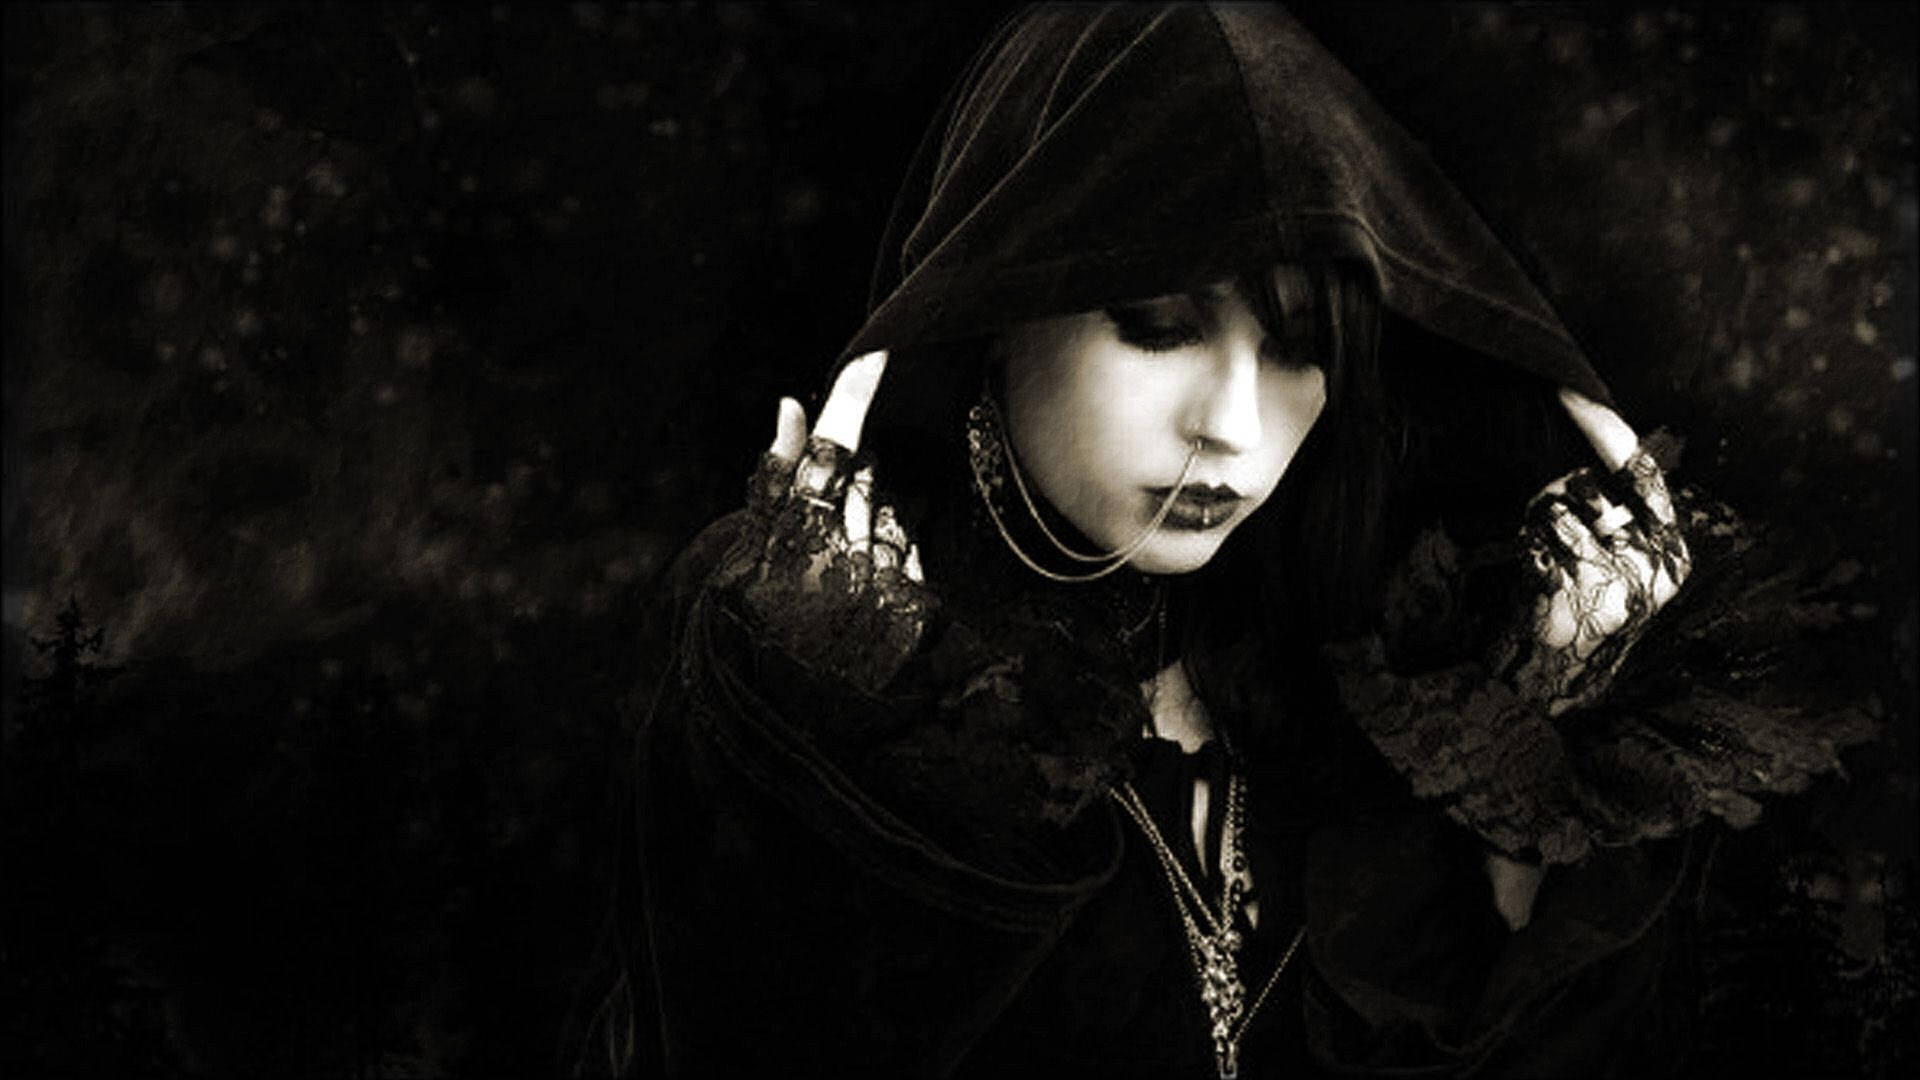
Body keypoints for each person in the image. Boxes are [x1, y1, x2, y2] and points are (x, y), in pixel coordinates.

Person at [575, 5, 1874, 1077]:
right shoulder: (791, 659)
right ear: (998, 306)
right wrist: (842, 723)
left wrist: (1543, 725)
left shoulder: (1354, 670)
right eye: (1158, 326)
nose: (1235, 427)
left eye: (1300, 349)